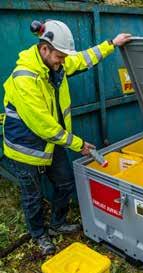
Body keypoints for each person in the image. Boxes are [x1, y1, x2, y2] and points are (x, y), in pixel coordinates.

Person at [2, 20, 131, 255]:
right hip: (25, 146)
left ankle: (57, 224)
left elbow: (82, 58)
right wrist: (79, 144)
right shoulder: (25, 78)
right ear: (44, 49)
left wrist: (112, 44)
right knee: (33, 196)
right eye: (60, 56)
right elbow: (44, 126)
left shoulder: (56, 63)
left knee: (65, 183)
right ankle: (39, 235)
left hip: (53, 142)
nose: (63, 61)